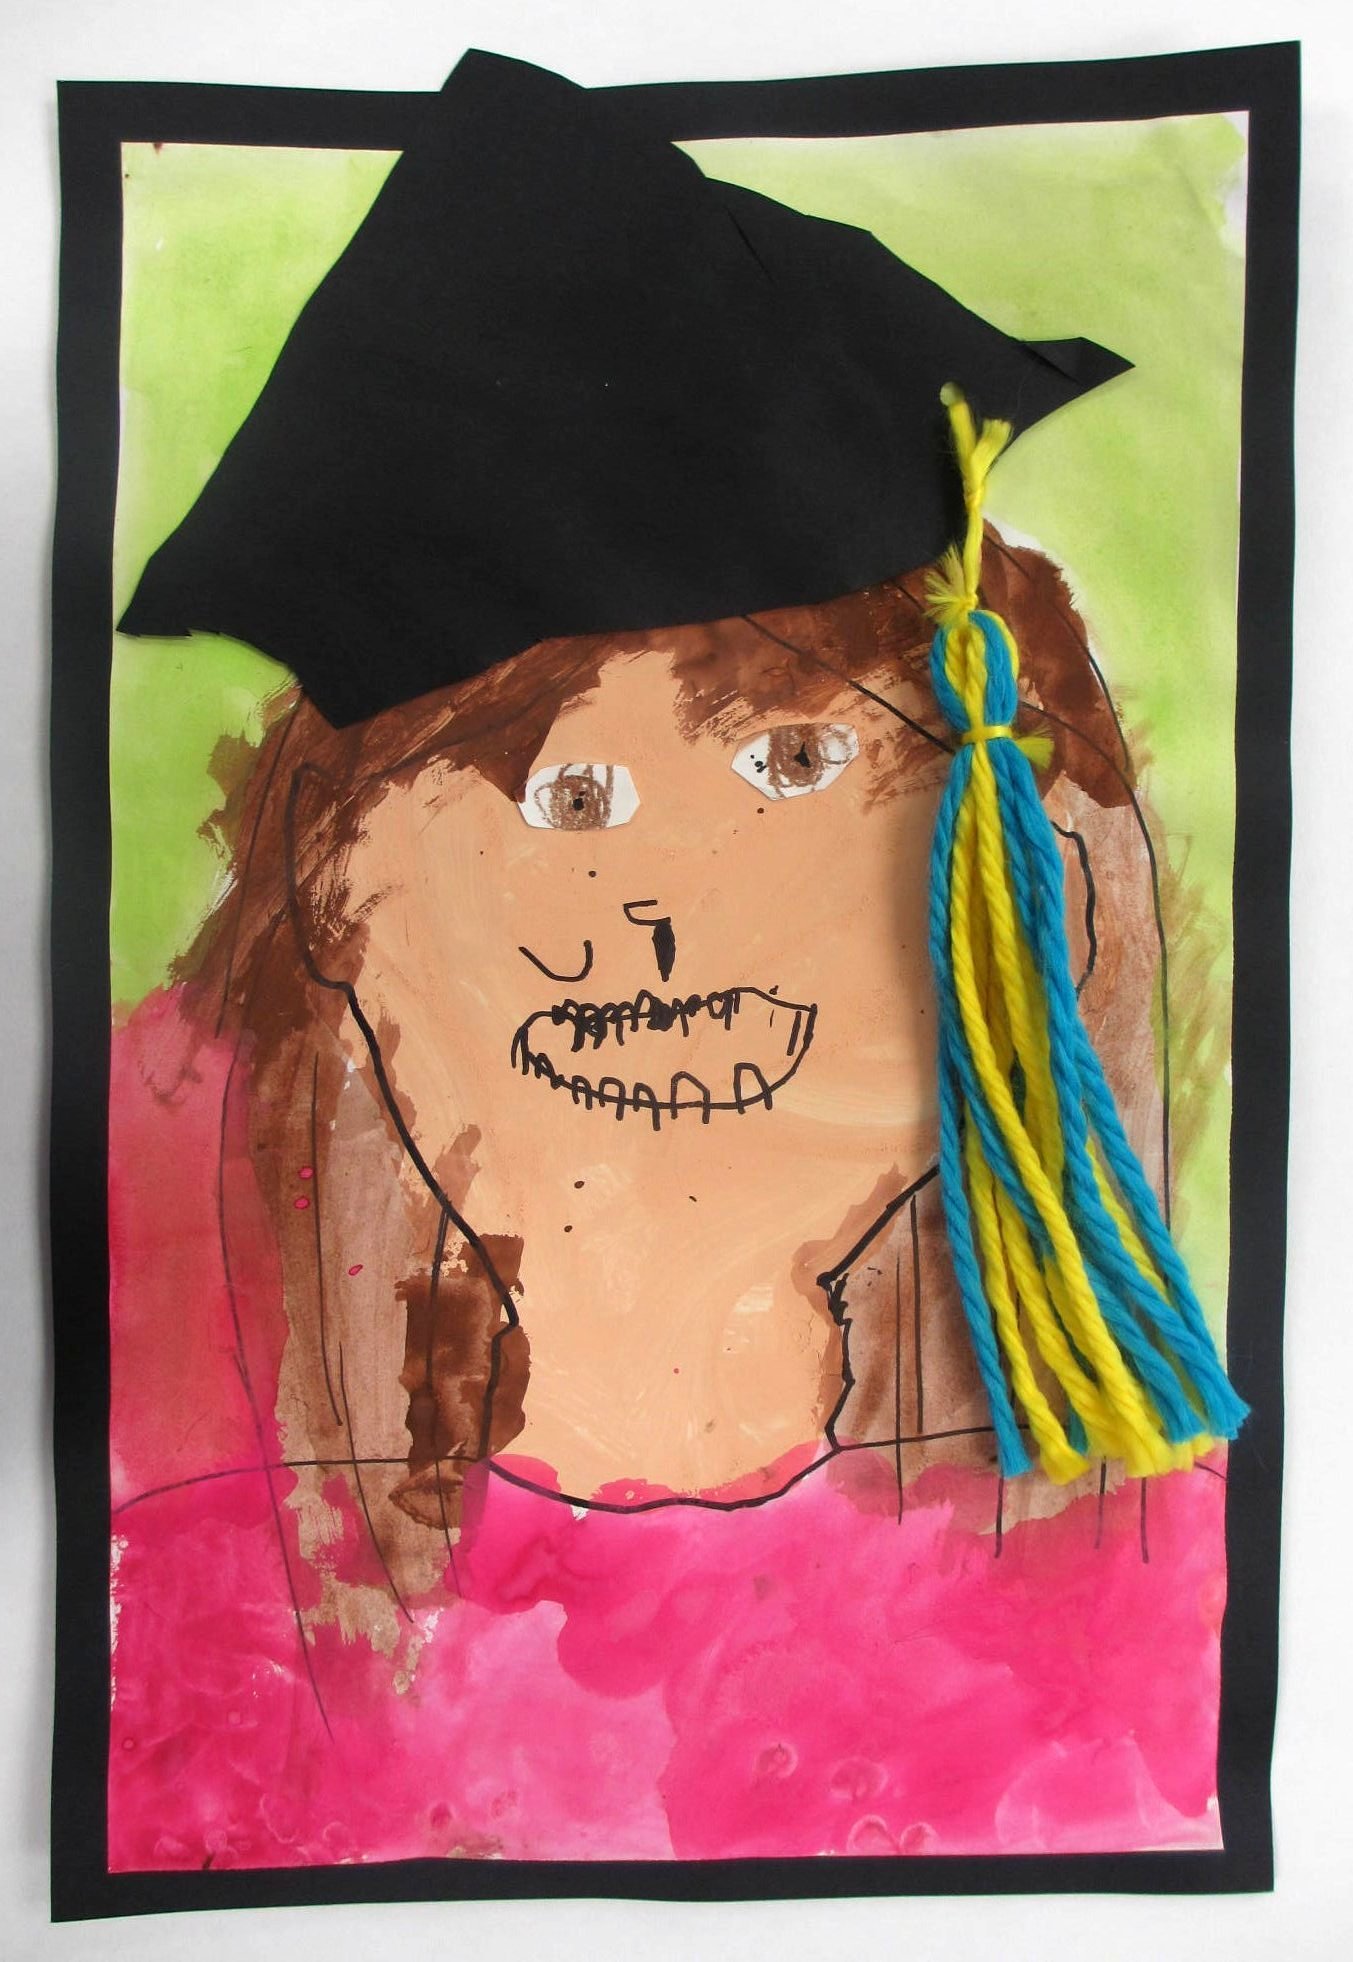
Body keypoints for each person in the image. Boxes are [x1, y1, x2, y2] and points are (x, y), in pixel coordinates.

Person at [106, 51, 1232, 1868]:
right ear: (345, 888)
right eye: (569, 795)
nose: (662, 909)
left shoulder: (1151, 1603)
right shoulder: (179, 1576)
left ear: (1003, 857)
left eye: (793, 762)